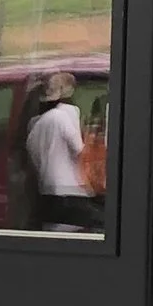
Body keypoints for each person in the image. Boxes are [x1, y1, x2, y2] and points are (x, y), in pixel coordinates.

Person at [24, 73, 100, 233]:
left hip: (46, 192)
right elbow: (79, 150)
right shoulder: (62, 117)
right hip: (70, 192)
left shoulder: (34, 124)